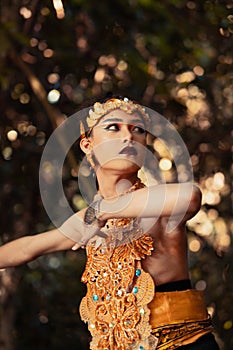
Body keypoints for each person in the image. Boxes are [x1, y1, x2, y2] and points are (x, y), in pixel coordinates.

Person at [0, 97, 219, 350]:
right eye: (114, 127)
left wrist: (105, 210)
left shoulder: (156, 203)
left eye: (138, 129)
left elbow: (191, 196)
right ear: (87, 144)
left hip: (184, 343)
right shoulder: (89, 218)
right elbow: (28, 248)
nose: (128, 136)